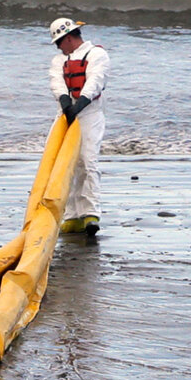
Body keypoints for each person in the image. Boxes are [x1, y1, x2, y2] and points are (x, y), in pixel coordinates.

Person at [48, 16, 110, 239]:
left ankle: (90, 213)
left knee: (87, 161)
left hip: (90, 114)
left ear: (68, 38)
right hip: (65, 115)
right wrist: (65, 102)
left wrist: (81, 103)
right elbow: (56, 81)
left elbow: (95, 81)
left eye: (59, 42)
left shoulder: (97, 54)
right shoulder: (59, 60)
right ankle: (72, 216)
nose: (58, 47)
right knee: (62, 163)